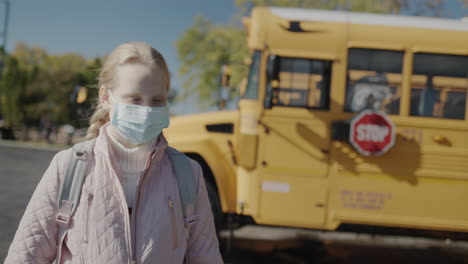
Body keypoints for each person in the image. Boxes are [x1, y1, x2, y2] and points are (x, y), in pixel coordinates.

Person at [4, 42, 223, 264]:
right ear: (106, 98)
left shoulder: (188, 174)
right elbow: (25, 256)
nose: (147, 110)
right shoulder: (68, 167)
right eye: (134, 99)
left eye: (157, 100)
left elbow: (207, 256)